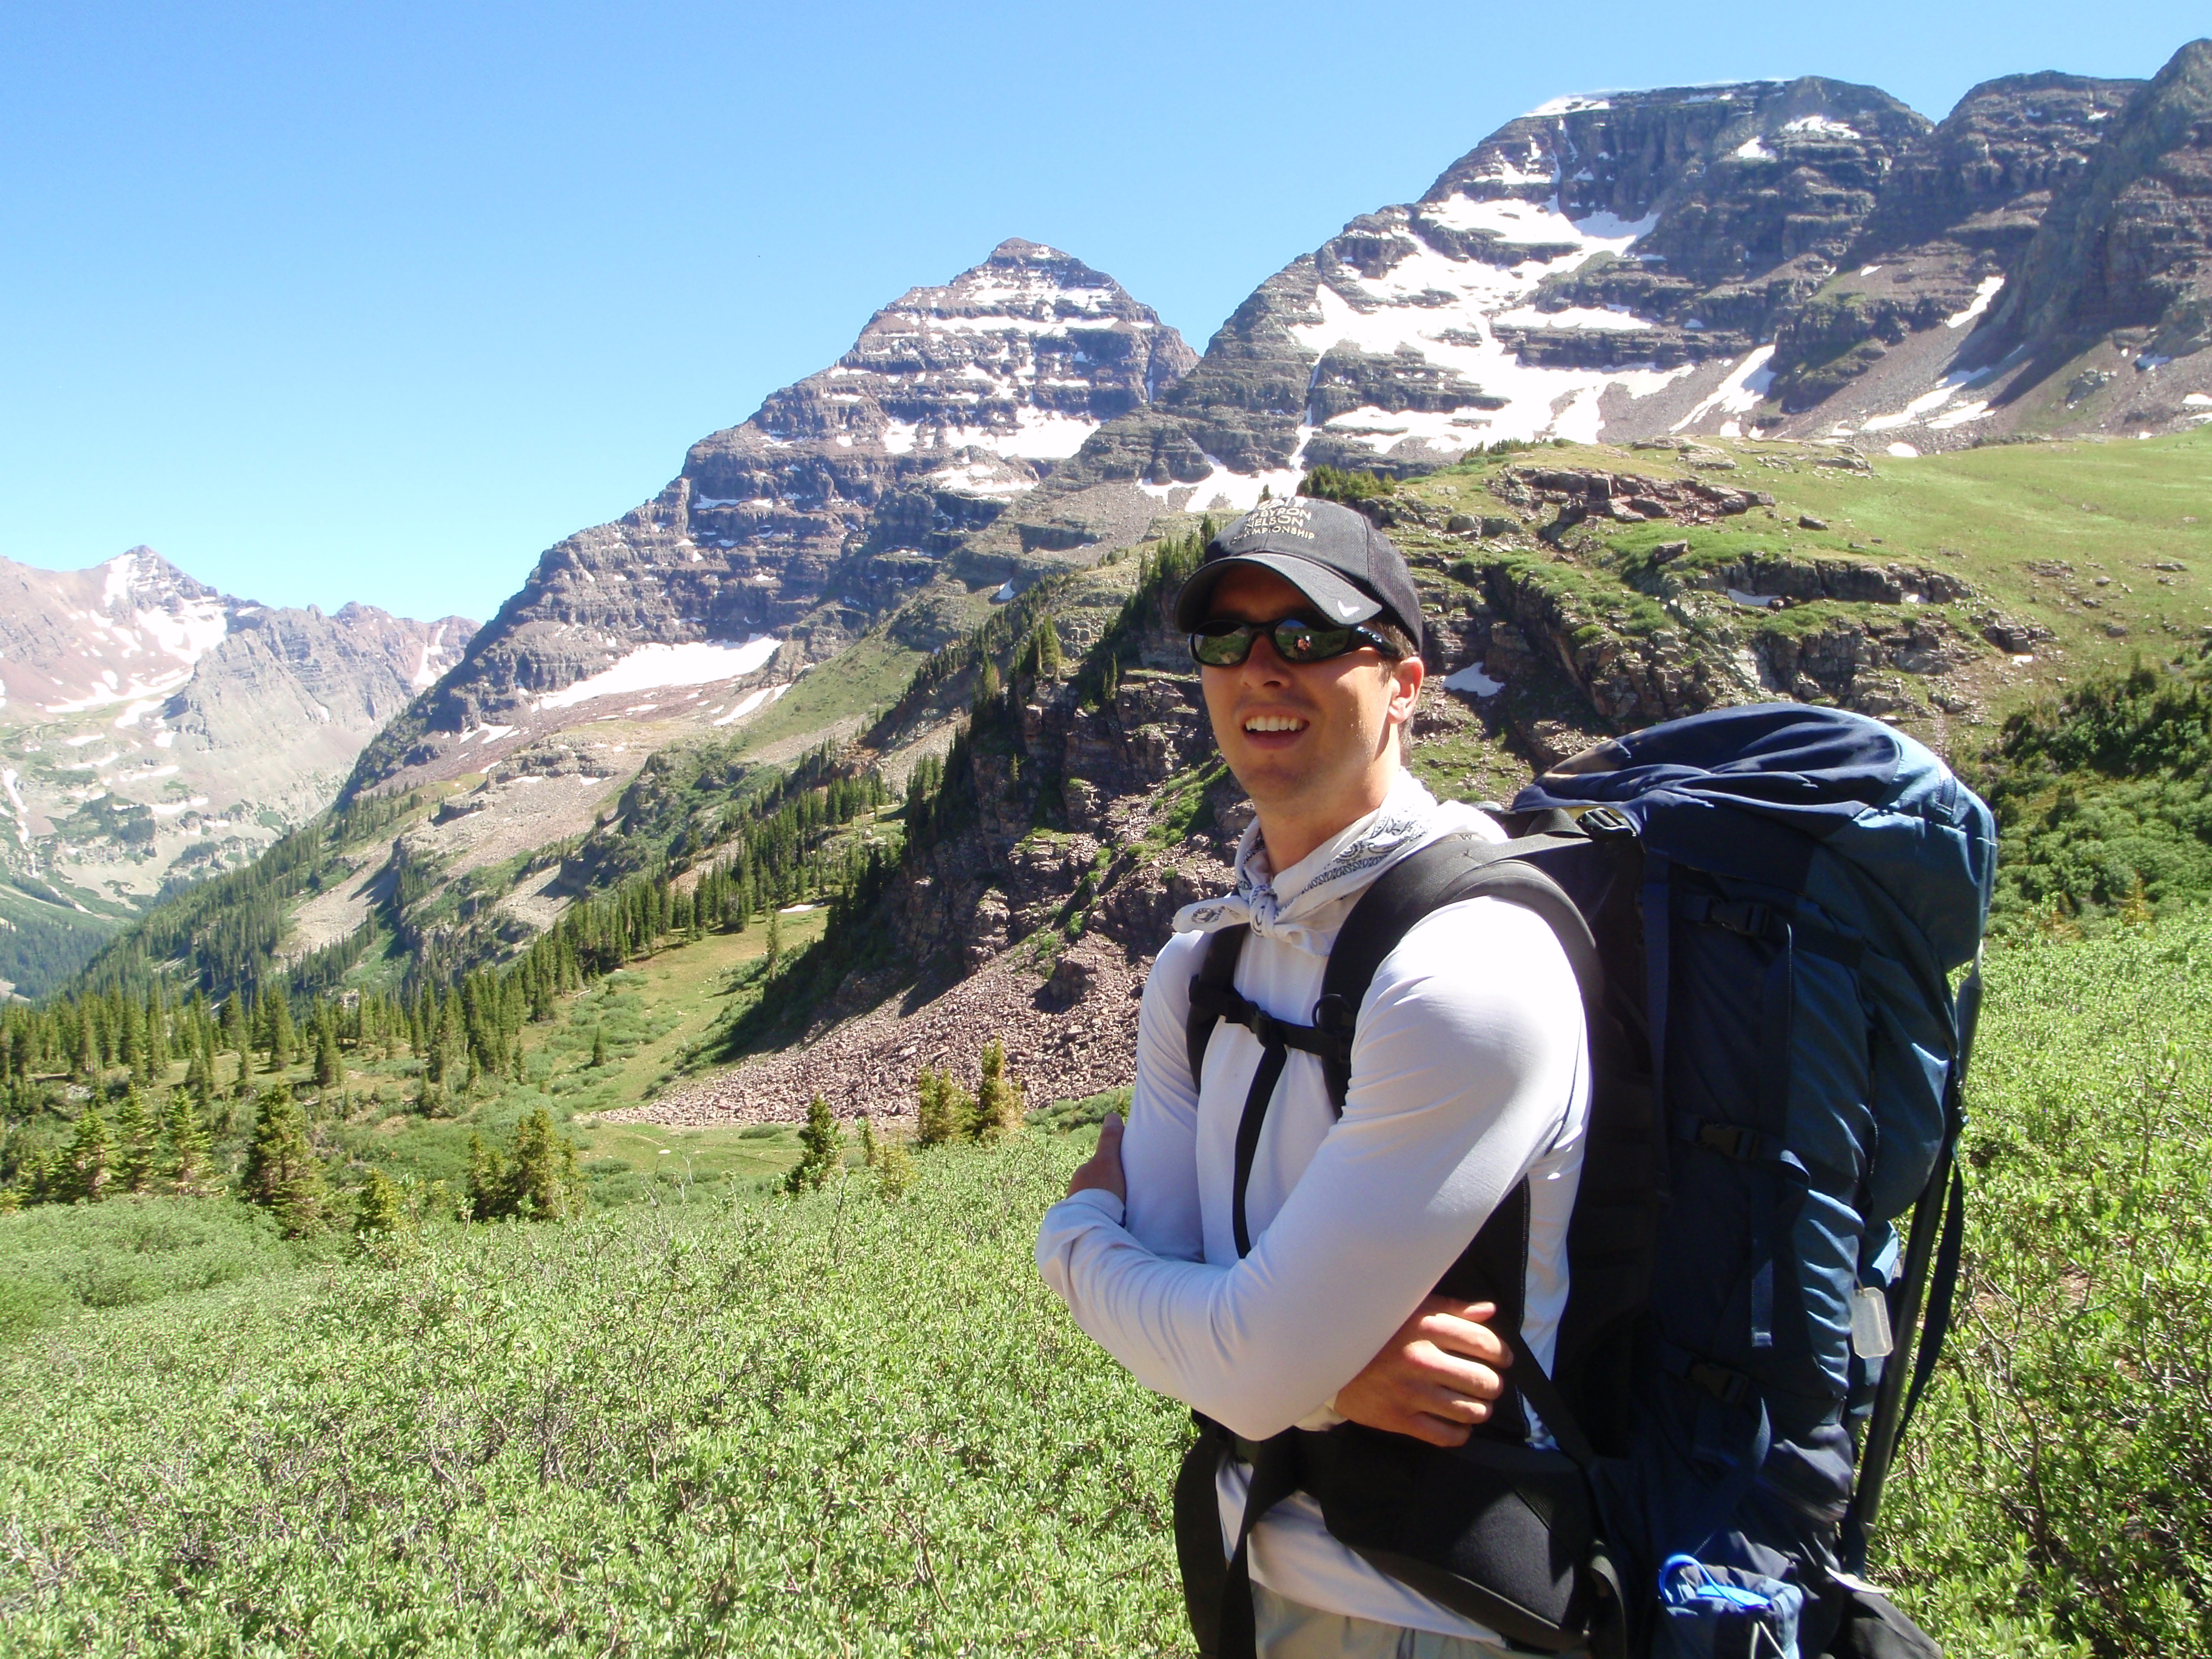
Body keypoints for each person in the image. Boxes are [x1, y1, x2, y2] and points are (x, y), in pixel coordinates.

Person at [1035, 495, 1591, 1657]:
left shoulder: (1468, 969)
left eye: (1310, 635)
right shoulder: (1203, 965)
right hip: (1249, 1579)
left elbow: (1232, 1360)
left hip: (1453, 1611)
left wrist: (1075, 1234)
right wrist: (1326, 1377)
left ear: (1406, 682)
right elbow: (1212, 1319)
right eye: (1227, 641)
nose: (1260, 671)